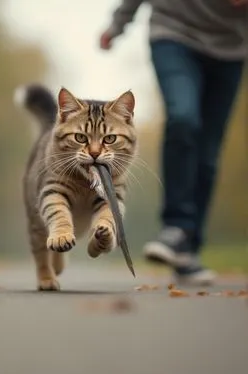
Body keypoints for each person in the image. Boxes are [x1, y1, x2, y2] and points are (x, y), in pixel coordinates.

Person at [99, 0, 247, 285]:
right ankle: (175, 227)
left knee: (208, 152)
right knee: (183, 118)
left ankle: (188, 249)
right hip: (174, 32)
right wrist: (117, 25)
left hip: (231, 48)